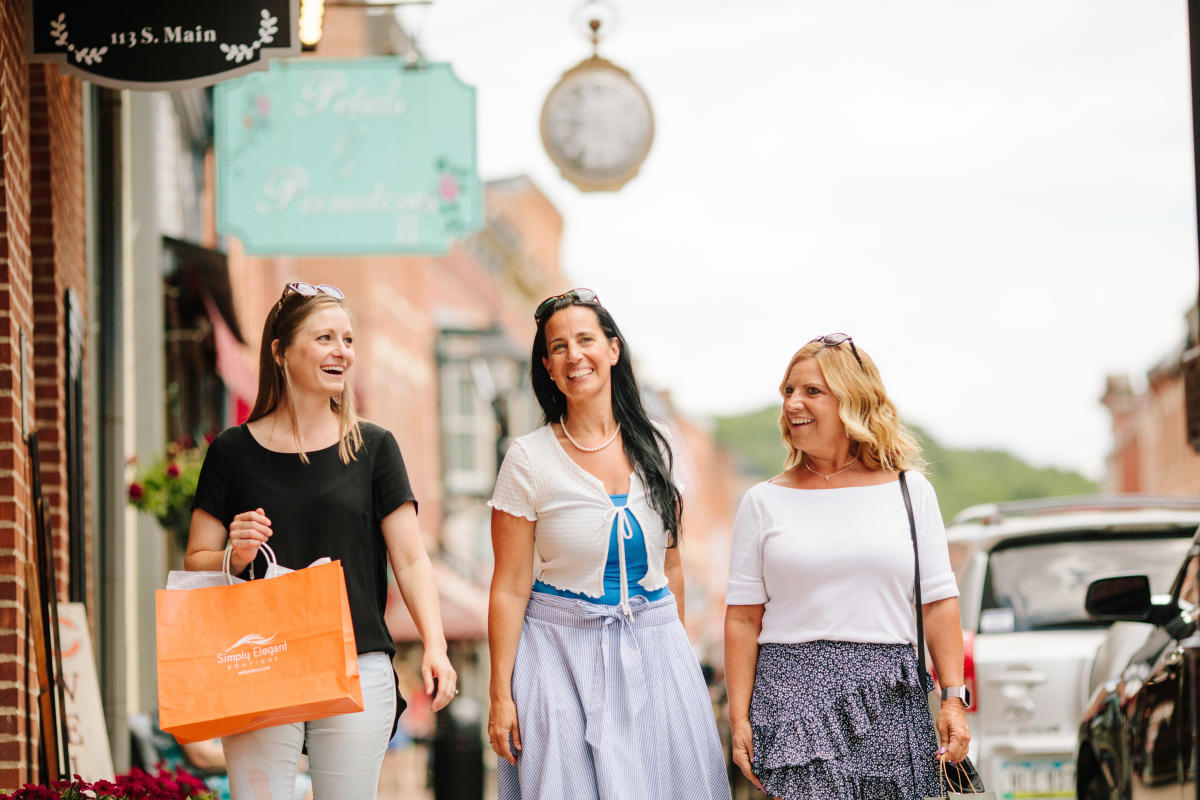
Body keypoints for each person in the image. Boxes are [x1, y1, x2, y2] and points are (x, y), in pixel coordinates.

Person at [185, 281, 457, 800]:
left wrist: (436, 647)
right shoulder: (231, 452)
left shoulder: (374, 447)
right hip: (256, 660)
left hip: (356, 662)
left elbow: (411, 558)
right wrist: (233, 556)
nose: (342, 352)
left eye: (348, 340)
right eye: (325, 337)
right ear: (281, 352)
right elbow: (196, 562)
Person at [487, 289, 731, 799]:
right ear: (548, 368)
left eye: (585, 340)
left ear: (613, 349)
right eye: (558, 347)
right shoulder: (528, 458)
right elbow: (509, 586)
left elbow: (674, 567)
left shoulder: (662, 446)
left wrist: (678, 663)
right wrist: (500, 694)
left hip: (657, 646)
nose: (574, 355)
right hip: (559, 656)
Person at [724, 333, 970, 800]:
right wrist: (740, 719)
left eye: (811, 391)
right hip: (793, 699)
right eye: (788, 391)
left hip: (891, 697)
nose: (793, 402)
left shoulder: (910, 491)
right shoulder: (762, 502)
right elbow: (741, 617)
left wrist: (954, 700)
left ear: (851, 401)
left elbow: (939, 603)